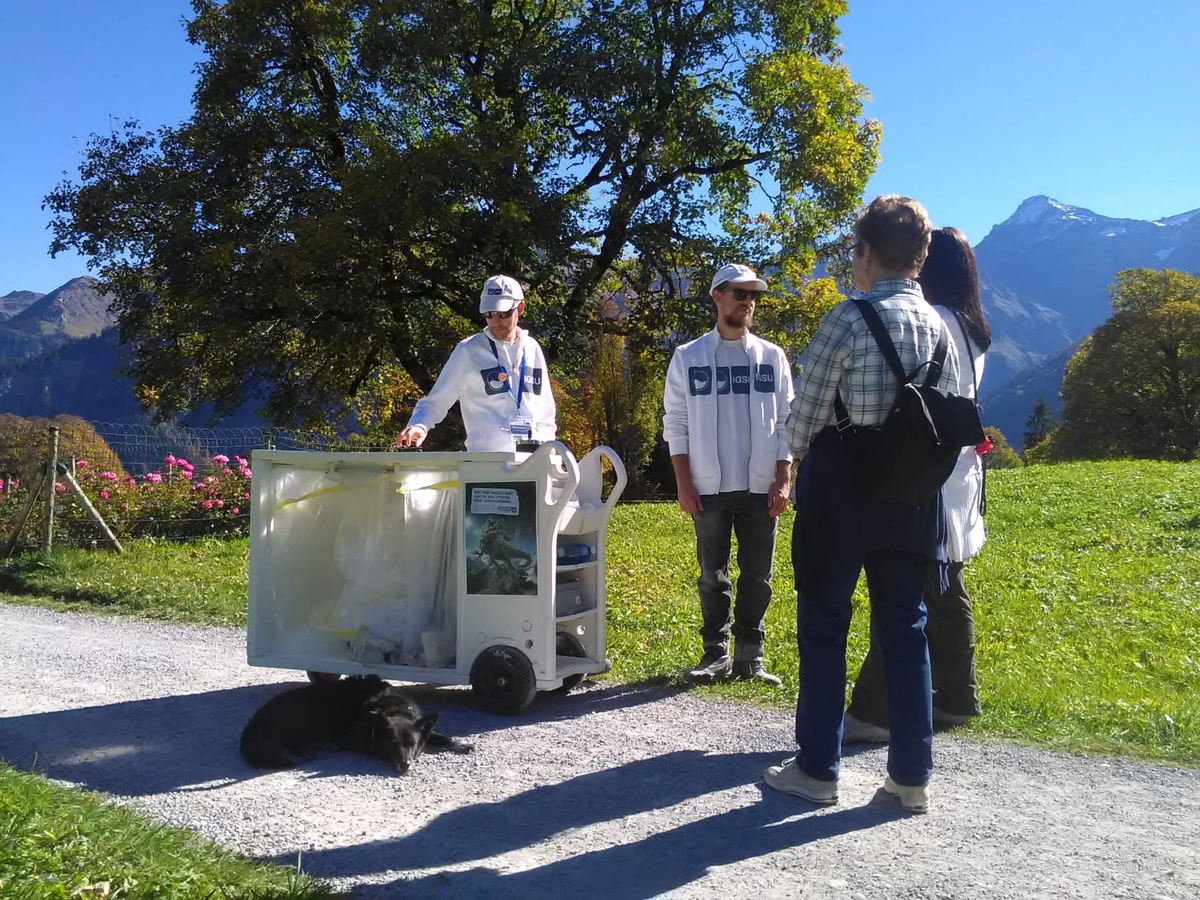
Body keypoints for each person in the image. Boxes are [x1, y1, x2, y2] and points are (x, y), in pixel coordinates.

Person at [764, 196, 961, 814]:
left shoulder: (845, 320)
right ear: (922, 257)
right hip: (910, 495)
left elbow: (804, 420)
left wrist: (787, 460)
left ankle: (818, 768)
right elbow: (949, 417)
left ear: (866, 253)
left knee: (825, 625)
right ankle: (910, 777)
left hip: (841, 492)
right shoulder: (940, 329)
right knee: (906, 626)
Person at [842, 227, 991, 742]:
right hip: (960, 472)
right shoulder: (973, 327)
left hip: (927, 470)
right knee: (944, 584)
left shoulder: (938, 321)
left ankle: (873, 711)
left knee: (908, 591)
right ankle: (957, 696)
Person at [662, 263, 795, 687]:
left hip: (761, 486)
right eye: (739, 293)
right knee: (711, 576)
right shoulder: (689, 358)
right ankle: (714, 654)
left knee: (758, 575)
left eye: (753, 295)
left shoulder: (772, 358)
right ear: (717, 296)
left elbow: (786, 422)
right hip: (708, 485)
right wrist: (683, 481)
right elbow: (676, 423)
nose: (748, 302)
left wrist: (783, 477)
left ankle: (750, 658)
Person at [396, 275, 556, 452]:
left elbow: (546, 413)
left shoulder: (532, 349)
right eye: (489, 314)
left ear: (520, 308)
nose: (495, 321)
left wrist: (549, 454)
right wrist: (419, 425)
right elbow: (436, 400)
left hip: (533, 464)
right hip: (485, 466)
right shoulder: (468, 350)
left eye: (503, 313)